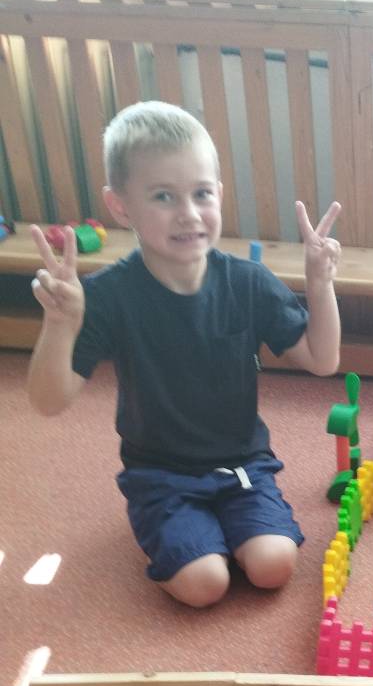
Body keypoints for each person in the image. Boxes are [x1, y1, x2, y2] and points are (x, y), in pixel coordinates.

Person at [26, 100, 341, 608]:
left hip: (242, 466)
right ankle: (167, 522)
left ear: (220, 193)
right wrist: (60, 325)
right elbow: (49, 400)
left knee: (274, 565)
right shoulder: (106, 296)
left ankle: (211, 530)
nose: (188, 214)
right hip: (160, 473)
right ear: (121, 206)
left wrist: (320, 284)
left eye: (201, 193)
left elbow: (322, 360)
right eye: (163, 196)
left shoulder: (248, 282)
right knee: (204, 584)